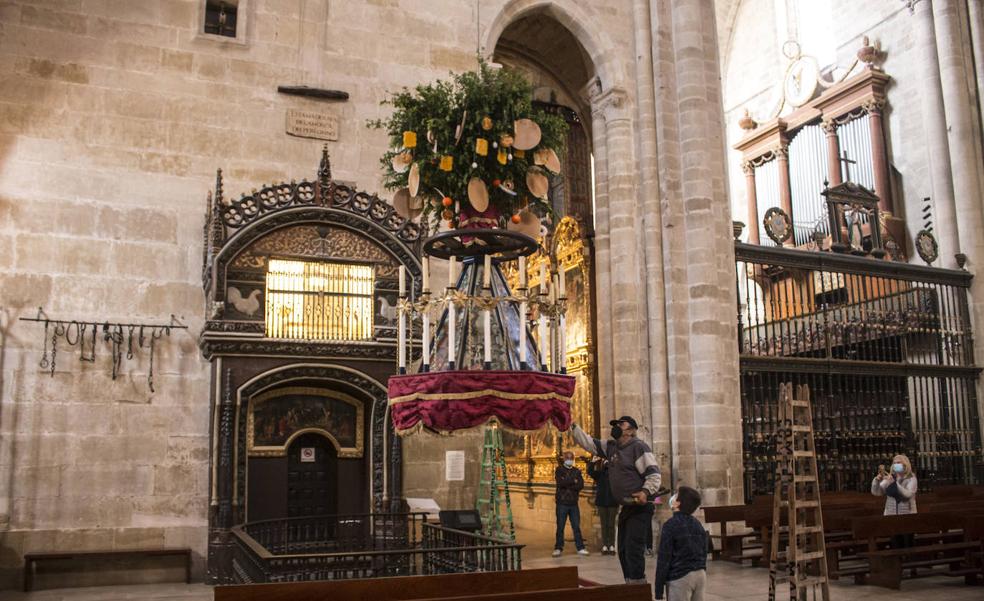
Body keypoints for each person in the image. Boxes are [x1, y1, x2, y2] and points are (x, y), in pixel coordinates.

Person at [571, 415, 661, 583]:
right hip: (626, 506)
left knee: (634, 548)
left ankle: (638, 586)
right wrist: (573, 426)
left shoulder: (638, 447)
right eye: (616, 424)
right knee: (623, 550)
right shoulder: (611, 447)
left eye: (622, 424)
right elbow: (589, 443)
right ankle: (630, 582)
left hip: (640, 507)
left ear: (631, 430)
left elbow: (654, 474)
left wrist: (645, 492)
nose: (617, 426)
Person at [653, 486, 708, 601]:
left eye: (676, 495)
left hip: (680, 578)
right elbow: (704, 550)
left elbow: (664, 558)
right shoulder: (697, 524)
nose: (673, 497)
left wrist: (658, 589)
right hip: (700, 575)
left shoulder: (670, 525)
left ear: (677, 503)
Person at [871, 453, 917, 548]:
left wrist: (896, 484)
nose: (896, 465)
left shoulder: (911, 478)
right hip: (891, 516)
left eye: (899, 463)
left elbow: (908, 494)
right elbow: (877, 492)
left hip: (907, 516)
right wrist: (877, 480)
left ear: (905, 465)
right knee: (895, 544)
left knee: (908, 545)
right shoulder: (890, 478)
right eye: (894, 463)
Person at [553, 450, 589, 557]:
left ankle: (580, 547)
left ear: (573, 459)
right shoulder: (559, 470)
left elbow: (580, 485)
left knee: (576, 526)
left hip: (573, 503)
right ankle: (558, 548)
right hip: (562, 503)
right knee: (560, 527)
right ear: (564, 459)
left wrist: (568, 482)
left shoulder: (577, 471)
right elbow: (560, 483)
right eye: (567, 458)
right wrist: (573, 481)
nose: (569, 460)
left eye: (571, 458)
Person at [587, 455, 618, 555]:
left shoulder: (615, 475)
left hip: (613, 502)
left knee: (611, 525)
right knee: (604, 524)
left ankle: (612, 545)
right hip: (602, 502)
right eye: (605, 462)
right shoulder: (599, 474)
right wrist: (592, 462)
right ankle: (605, 545)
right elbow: (590, 472)